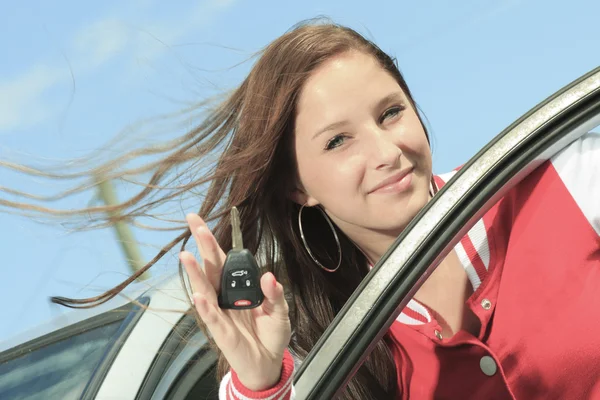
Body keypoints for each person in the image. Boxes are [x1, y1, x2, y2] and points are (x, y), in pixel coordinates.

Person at [7, 20, 599, 399]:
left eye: (391, 113)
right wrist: (261, 381)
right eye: (338, 142)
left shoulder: (564, 183)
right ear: (298, 187)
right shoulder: (331, 345)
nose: (387, 151)